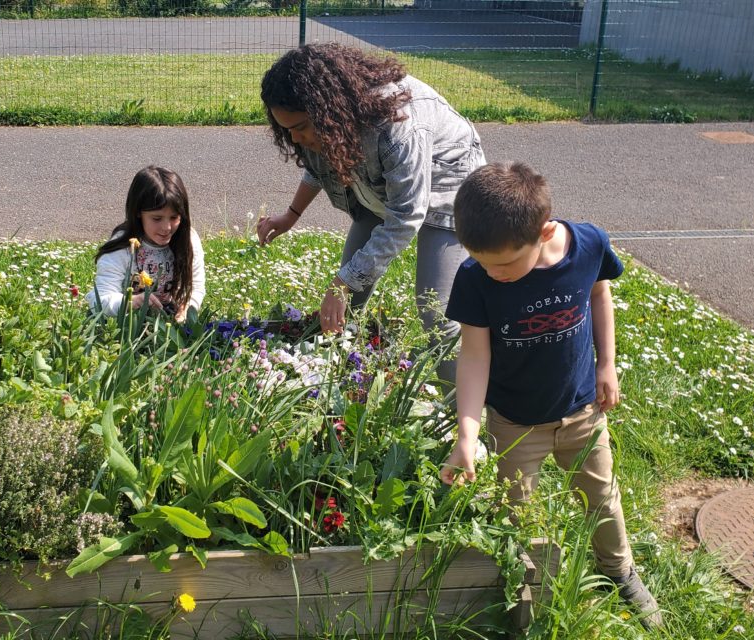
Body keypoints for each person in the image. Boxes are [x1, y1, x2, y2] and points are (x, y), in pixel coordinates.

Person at [438, 162, 662, 628]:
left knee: (602, 497)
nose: (492, 272)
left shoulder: (588, 244)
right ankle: (520, 583)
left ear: (543, 232)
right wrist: (467, 435)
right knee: (515, 511)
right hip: (514, 424)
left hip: (582, 412)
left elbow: (599, 294)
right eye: (481, 260)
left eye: (503, 264)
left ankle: (619, 570)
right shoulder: (476, 278)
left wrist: (606, 363)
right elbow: (474, 356)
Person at [256, 42, 485, 390]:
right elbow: (319, 166)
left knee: (437, 312)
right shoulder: (332, 122)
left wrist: (343, 281)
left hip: (449, 188)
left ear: (327, 110)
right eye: (286, 130)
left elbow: (405, 216)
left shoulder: (399, 126)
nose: (295, 139)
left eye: (300, 127)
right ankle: (344, 376)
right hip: (385, 188)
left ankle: (461, 407)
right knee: (350, 294)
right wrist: (291, 215)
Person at [86, 166, 205, 322]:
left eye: (174, 217)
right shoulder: (123, 246)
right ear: (138, 212)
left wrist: (187, 309)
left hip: (168, 319)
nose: (167, 228)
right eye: (157, 218)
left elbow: (195, 286)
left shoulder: (188, 239)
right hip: (125, 321)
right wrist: (130, 303)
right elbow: (99, 300)